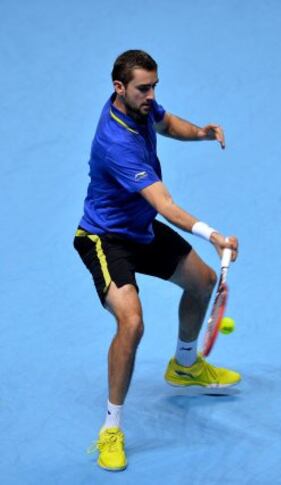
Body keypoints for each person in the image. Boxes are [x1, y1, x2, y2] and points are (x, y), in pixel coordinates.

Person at [73, 49, 240, 472]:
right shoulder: (116, 144)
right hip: (105, 239)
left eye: (154, 86)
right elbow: (165, 205)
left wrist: (201, 133)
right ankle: (112, 427)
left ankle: (185, 367)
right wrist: (214, 236)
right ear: (119, 88)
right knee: (132, 320)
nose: (151, 95)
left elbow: (166, 122)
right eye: (143, 88)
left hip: (139, 228)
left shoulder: (139, 104)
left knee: (202, 282)